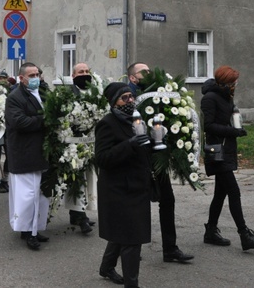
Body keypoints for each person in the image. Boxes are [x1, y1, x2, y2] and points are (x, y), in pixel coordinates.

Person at [127, 62, 194, 264]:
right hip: (137, 159)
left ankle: (170, 249)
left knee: (167, 200)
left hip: (157, 157)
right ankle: (131, 248)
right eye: (144, 72)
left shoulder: (158, 94)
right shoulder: (128, 98)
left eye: (149, 70)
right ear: (132, 78)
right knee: (136, 205)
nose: (149, 74)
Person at [200, 66, 254, 250]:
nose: (235, 85)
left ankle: (210, 231)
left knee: (220, 194)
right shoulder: (209, 98)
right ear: (226, 82)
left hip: (226, 148)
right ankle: (244, 234)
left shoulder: (226, 96)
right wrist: (233, 131)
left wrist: (235, 130)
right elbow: (209, 126)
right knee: (234, 192)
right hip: (217, 151)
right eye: (233, 82)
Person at [94, 82, 152, 287]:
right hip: (119, 189)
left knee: (123, 232)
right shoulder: (107, 123)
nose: (130, 101)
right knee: (131, 238)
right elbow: (102, 158)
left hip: (137, 185)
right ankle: (132, 284)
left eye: (131, 97)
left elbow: (144, 150)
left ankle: (107, 267)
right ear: (114, 102)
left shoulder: (136, 120)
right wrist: (129, 145)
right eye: (124, 98)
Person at [4, 62, 50, 250]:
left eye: (37, 74)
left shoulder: (44, 94)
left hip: (41, 151)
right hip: (24, 152)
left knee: (40, 194)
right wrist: (45, 120)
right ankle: (26, 231)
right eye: (31, 76)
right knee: (27, 195)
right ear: (21, 78)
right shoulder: (15, 97)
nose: (35, 78)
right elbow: (18, 121)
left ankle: (35, 228)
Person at [67, 62, 97, 234]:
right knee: (77, 180)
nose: (85, 74)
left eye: (87, 71)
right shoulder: (69, 93)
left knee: (87, 179)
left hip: (90, 141)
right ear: (73, 76)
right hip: (74, 143)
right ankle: (81, 216)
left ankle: (77, 213)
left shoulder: (94, 93)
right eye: (81, 72)